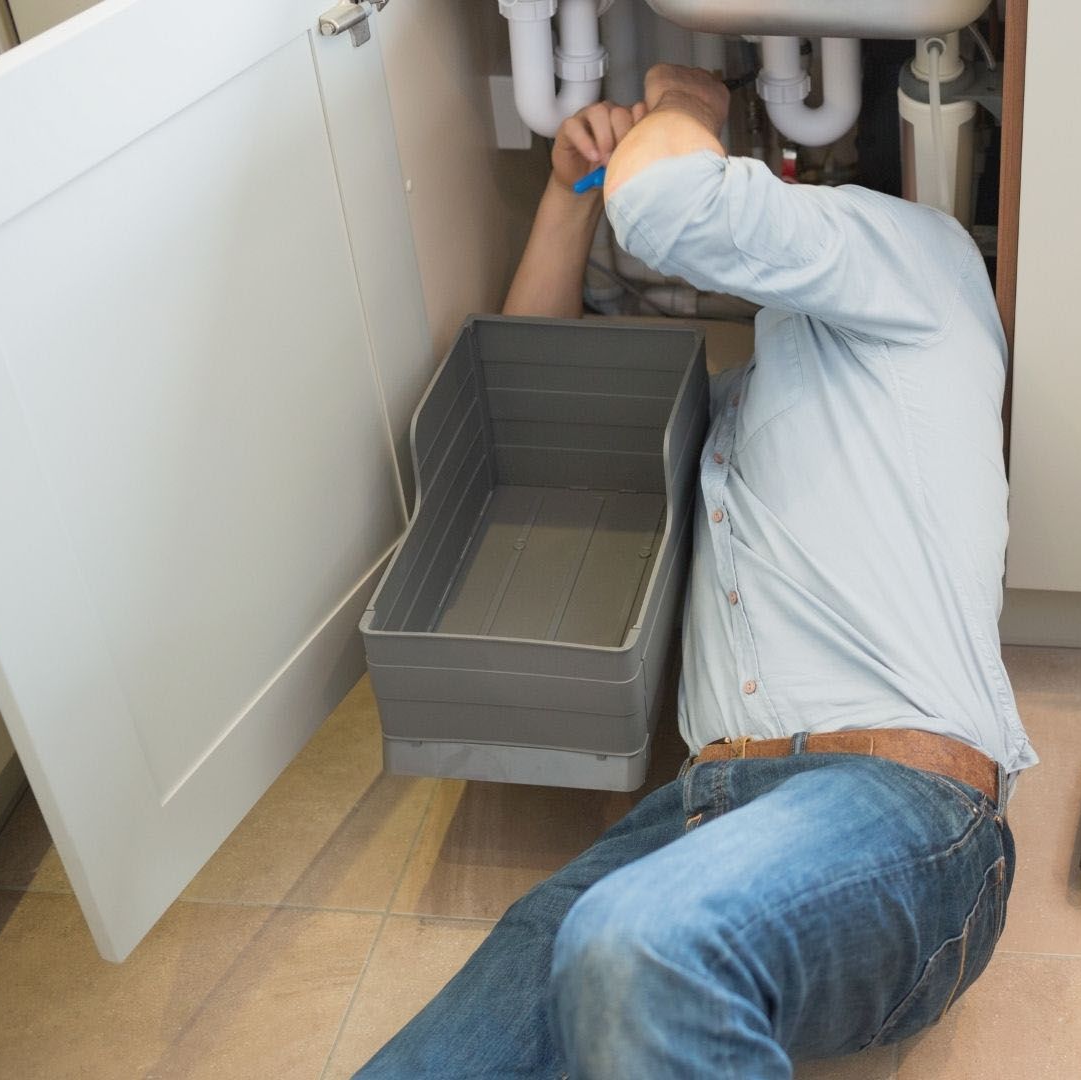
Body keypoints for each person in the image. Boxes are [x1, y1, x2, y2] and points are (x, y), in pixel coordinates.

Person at [357, 64, 1035, 1079]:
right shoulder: (737, 417)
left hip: (900, 810)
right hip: (695, 820)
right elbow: (532, 396)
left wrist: (689, 107)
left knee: (638, 942)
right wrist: (564, 191)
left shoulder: (927, 264)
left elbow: (673, 205)